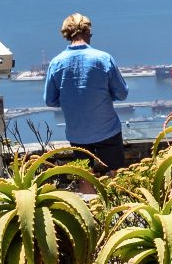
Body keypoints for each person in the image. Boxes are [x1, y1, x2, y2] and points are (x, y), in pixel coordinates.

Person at [43, 12, 129, 175]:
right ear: (87, 31)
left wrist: (71, 99)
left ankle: (88, 199)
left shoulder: (56, 63)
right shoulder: (103, 59)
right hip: (107, 129)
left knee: (85, 178)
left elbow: (50, 100)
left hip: (77, 133)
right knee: (117, 177)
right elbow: (122, 93)